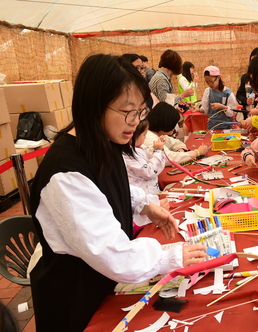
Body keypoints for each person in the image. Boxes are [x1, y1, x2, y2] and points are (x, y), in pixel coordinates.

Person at [28, 54, 207, 332]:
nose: (135, 122)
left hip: (101, 284)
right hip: (76, 299)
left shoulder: (103, 142)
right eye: (128, 111)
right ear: (94, 105)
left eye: (140, 112)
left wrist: (145, 205)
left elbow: (110, 187)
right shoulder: (65, 173)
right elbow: (111, 253)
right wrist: (169, 257)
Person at [124, 119, 167, 195]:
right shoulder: (128, 155)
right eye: (144, 135)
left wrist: (156, 148)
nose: (145, 138)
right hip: (144, 197)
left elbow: (148, 153)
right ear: (132, 135)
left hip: (151, 192)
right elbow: (150, 171)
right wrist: (158, 151)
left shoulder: (139, 147)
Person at [200, 65, 238, 130]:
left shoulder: (228, 93)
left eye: (211, 81)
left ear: (218, 77)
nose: (209, 84)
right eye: (207, 82)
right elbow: (205, 110)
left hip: (226, 127)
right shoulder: (208, 91)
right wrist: (197, 110)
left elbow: (232, 112)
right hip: (212, 126)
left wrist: (222, 107)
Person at [236, 47, 258, 115]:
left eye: (257, 60)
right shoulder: (245, 77)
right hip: (247, 114)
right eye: (252, 60)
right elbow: (239, 94)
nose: (254, 63)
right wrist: (245, 100)